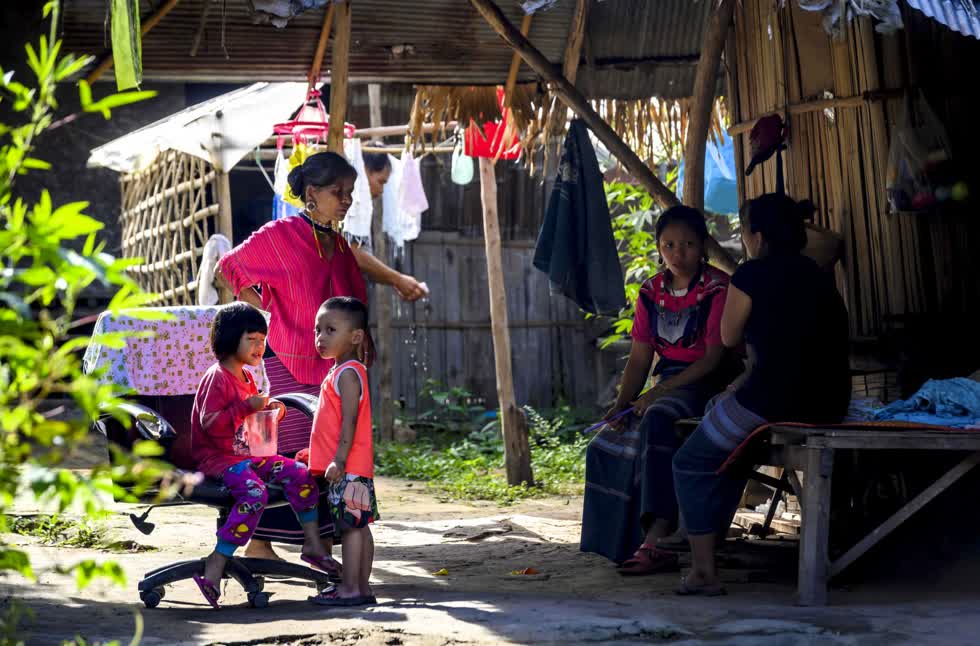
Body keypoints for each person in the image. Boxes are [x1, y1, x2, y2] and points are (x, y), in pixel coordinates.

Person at [214, 151, 417, 563]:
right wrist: (263, 314)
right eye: (337, 193)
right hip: (283, 362)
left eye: (350, 193)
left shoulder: (338, 243)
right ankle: (266, 545)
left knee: (321, 456)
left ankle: (310, 544)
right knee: (282, 456)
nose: (346, 200)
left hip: (326, 365)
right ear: (311, 193)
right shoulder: (281, 234)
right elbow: (228, 267)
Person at [673, 193, 850, 596]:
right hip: (829, 403)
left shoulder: (750, 275)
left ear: (757, 235)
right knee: (732, 449)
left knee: (691, 461)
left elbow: (728, 336)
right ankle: (711, 543)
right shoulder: (819, 276)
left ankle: (703, 571)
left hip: (770, 401)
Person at [581, 206, 741, 573]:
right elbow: (640, 359)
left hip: (705, 381)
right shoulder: (651, 292)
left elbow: (713, 358)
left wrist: (658, 393)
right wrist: (621, 404)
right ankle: (621, 544)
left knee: (658, 417)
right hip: (667, 383)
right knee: (604, 444)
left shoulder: (718, 288)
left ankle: (657, 537)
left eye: (686, 244)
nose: (677, 252)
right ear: (658, 247)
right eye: (669, 244)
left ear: (702, 246)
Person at [189, 302, 334, 609]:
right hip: (219, 459)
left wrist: (270, 413)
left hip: (249, 457)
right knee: (254, 493)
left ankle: (313, 545)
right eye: (251, 339)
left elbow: (250, 426)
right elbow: (210, 424)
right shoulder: (217, 377)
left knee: (301, 475)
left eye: (262, 339)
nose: (260, 346)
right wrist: (247, 407)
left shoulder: (247, 377)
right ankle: (216, 563)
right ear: (230, 340)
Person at [305, 297, 380, 607]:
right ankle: (360, 587)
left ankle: (349, 587)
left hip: (348, 467)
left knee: (351, 529)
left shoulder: (347, 373)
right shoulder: (344, 371)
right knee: (358, 526)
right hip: (352, 466)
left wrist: (337, 459)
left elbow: (349, 422)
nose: (321, 338)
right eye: (317, 330)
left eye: (330, 330)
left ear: (356, 337)